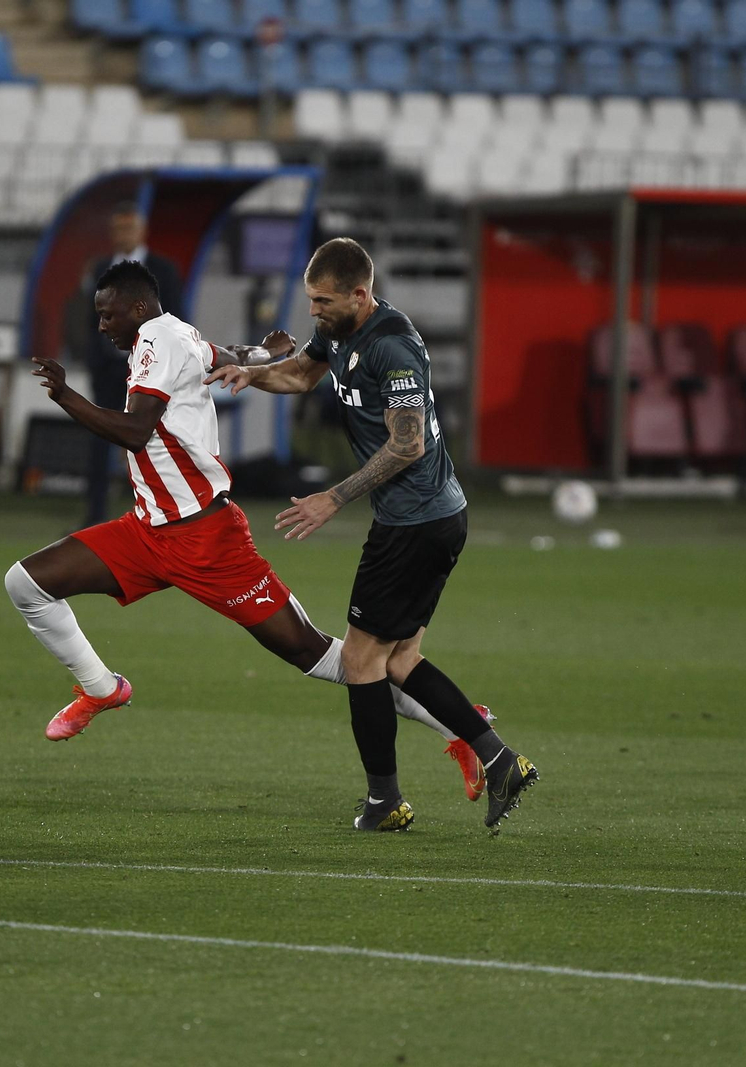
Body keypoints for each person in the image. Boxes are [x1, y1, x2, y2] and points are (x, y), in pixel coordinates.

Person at [8, 260, 495, 805]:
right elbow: (229, 357)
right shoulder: (178, 335)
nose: (102, 326)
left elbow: (135, 431)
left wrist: (66, 397)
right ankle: (102, 688)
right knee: (27, 582)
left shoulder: (153, 338)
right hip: (145, 531)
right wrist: (267, 351)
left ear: (138, 308)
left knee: (322, 656)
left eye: (107, 314)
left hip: (206, 540)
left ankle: (458, 725)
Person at [207, 238, 539, 836]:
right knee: (400, 657)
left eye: (323, 300)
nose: (314, 310)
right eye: (311, 299)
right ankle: (499, 759)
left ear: (361, 293)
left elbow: (409, 443)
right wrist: (250, 374)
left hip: (417, 523)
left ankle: (385, 802)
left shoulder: (393, 346)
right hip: (422, 521)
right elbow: (304, 374)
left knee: (362, 660)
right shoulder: (339, 331)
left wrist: (332, 498)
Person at [79, 203, 184, 529]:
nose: (123, 235)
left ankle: (163, 509)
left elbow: (175, 317)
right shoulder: (98, 269)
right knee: (100, 436)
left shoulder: (163, 271)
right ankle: (96, 511)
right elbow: (85, 317)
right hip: (109, 371)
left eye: (129, 228)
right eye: (118, 228)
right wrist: (93, 360)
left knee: (154, 438)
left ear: (142, 232)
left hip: (151, 371)